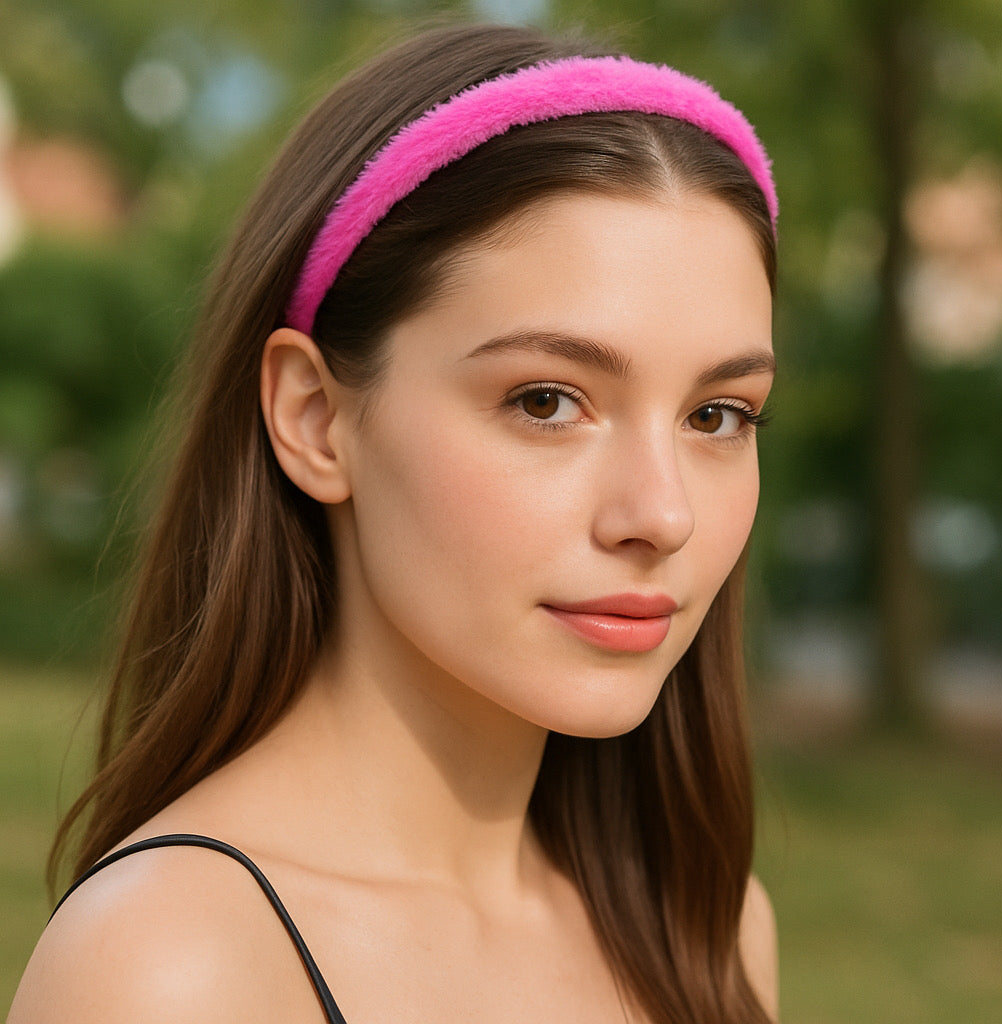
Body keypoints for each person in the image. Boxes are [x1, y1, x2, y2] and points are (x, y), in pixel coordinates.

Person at [9, 21, 779, 1024]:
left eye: (715, 416)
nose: (661, 513)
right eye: (546, 400)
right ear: (315, 418)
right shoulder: (173, 971)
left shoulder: (707, 929)